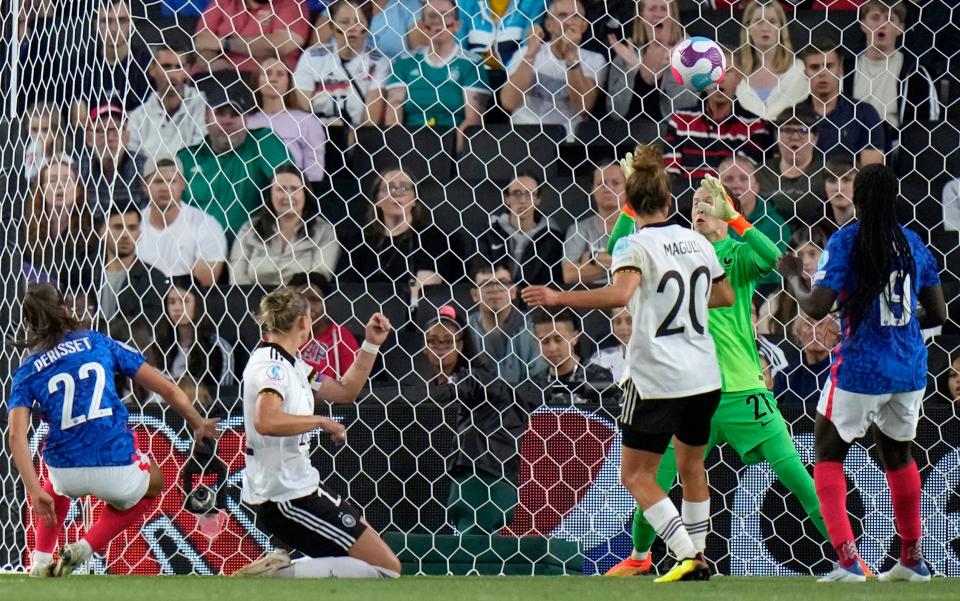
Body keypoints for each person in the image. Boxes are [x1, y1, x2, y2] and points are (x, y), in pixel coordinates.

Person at [523, 145, 735, 582]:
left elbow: (619, 295)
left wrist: (558, 296)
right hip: (704, 374)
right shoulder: (697, 241)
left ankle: (684, 553)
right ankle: (701, 554)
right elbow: (724, 297)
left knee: (636, 474)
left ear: (630, 204)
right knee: (693, 467)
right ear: (669, 200)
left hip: (657, 376)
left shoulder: (632, 244)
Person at [605, 175, 830, 577]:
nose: (700, 208)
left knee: (798, 476)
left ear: (726, 210)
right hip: (689, 389)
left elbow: (776, 258)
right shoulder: (673, 251)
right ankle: (640, 558)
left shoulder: (737, 255)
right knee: (655, 481)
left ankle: (848, 556)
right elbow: (615, 249)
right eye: (695, 202)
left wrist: (739, 221)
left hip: (743, 389)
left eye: (711, 202)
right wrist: (630, 201)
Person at [779, 163, 946, 582]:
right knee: (899, 456)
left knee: (828, 453)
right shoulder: (913, 243)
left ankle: (849, 560)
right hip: (909, 367)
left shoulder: (847, 240)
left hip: (861, 367)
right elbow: (939, 312)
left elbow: (816, 306)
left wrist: (791, 278)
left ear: (858, 198)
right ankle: (911, 559)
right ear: (895, 199)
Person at [7, 283, 219, 577]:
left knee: (53, 486)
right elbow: (168, 389)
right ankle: (85, 547)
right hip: (114, 464)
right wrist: (197, 422)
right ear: (66, 310)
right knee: (153, 484)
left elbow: (16, 436)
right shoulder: (99, 342)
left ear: (29, 323)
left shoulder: (27, 370)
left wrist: (32, 490)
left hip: (65, 470)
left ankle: (40, 561)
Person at [232, 286, 401, 578]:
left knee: (376, 553)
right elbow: (266, 420)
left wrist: (371, 344)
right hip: (285, 495)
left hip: (302, 485)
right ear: (303, 322)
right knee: (386, 570)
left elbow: (345, 391)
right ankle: (276, 575)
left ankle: (283, 571)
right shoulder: (272, 366)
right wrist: (320, 421)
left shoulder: (294, 364)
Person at [407, 305, 537, 534]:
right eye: (433, 341)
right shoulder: (430, 384)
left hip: (485, 473)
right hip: (460, 474)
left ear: (461, 344)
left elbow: (459, 391)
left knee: (475, 541)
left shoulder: (477, 378)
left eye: (448, 341)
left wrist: (395, 398)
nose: (440, 348)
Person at [177, 78, 293, 233]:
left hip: (252, 247)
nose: (227, 121)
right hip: (197, 249)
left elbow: (290, 186)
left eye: (235, 114)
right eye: (220, 113)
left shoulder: (263, 142)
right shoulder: (186, 158)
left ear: (245, 119)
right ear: (206, 118)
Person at [339, 168, 470, 297]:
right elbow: (348, 291)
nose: (397, 193)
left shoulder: (433, 237)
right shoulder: (358, 242)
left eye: (404, 188)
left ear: (414, 200)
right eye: (389, 188)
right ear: (377, 200)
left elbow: (424, 294)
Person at [383, 0, 490, 151]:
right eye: (433, 16)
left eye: (445, 16)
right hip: (410, 146)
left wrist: (451, 158)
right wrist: (402, 151)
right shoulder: (404, 62)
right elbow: (394, 112)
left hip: (454, 146)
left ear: (457, 25)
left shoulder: (472, 64)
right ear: (423, 26)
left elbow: (473, 119)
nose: (439, 22)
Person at [663, 47, 770, 184]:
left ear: (739, 78)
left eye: (727, 71)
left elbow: (740, 180)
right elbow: (671, 177)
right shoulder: (680, 121)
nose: (719, 78)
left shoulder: (755, 126)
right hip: (687, 201)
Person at [501, 0, 606, 139]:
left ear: (584, 25)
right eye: (562, 15)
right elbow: (508, 102)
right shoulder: (525, 52)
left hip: (567, 143)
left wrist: (571, 55)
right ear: (548, 25)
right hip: (522, 138)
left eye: (575, 16)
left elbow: (582, 108)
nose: (569, 22)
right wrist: (531, 54)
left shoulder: (594, 60)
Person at [231, 165, 340, 286]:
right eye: (281, 189)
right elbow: (237, 277)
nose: (288, 195)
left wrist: (287, 301)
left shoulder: (324, 231)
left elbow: (319, 278)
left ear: (305, 194)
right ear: (269, 194)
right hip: (253, 301)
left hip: (301, 302)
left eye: (294, 189)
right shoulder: (249, 229)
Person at [849, 0, 941, 138]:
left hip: (896, 148)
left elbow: (926, 130)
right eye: (875, 18)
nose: (882, 24)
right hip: (850, 150)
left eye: (889, 19)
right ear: (862, 25)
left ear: (901, 28)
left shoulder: (915, 74)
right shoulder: (844, 71)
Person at [136, 156, 228, 288]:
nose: (165, 188)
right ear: (144, 186)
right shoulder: (133, 225)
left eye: (172, 181)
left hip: (184, 305)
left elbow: (201, 286)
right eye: (157, 181)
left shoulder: (206, 225)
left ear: (183, 184)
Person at [295, 0, 390, 128]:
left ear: (368, 26)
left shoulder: (378, 62)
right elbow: (302, 112)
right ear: (332, 26)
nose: (351, 28)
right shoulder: (311, 57)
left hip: (358, 137)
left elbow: (371, 121)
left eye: (358, 22)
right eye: (344, 22)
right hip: (315, 134)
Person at [605, 0, 695, 125]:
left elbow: (685, 111)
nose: (658, 14)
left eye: (663, 8)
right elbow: (615, 112)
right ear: (641, 17)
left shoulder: (689, 56)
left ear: (673, 16)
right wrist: (630, 71)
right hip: (627, 138)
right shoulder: (625, 55)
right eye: (652, 9)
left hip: (670, 138)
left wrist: (673, 69)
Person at [798, 43, 886, 166]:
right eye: (814, 67)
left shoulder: (864, 114)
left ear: (841, 70)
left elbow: (870, 174)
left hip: (849, 184)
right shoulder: (793, 117)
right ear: (805, 73)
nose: (822, 73)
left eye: (829, 66)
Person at [476, 172, 565, 289]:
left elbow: (552, 282)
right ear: (506, 199)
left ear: (538, 199)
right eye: (516, 193)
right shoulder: (488, 235)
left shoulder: (552, 239)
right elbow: (478, 273)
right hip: (497, 300)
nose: (522, 200)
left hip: (537, 302)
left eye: (529, 194)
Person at [245, 58, 327, 183]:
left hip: (293, 190)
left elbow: (314, 167)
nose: (273, 79)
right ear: (257, 80)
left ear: (289, 81)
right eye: (267, 73)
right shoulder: (244, 122)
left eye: (280, 74)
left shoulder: (307, 121)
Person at [467, 261, 547, 385]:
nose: (494, 288)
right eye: (486, 284)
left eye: (503, 282)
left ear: (513, 291)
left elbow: (539, 380)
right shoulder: (464, 329)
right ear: (474, 294)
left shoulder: (534, 328)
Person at [70, 0, 153, 119]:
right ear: (96, 25)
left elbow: (149, 119)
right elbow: (79, 121)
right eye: (106, 21)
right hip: (94, 136)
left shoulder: (146, 65)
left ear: (131, 24)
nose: (114, 29)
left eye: (122, 20)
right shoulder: (82, 66)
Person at [718, 154, 790, 290]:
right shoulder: (707, 221)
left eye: (744, 178)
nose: (736, 185)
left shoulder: (775, 225)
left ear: (756, 186)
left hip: (762, 296)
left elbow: (771, 276)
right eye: (728, 179)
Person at [24, 157, 96, 291]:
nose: (59, 186)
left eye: (67, 180)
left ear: (78, 190)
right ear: (41, 189)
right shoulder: (24, 230)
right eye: (52, 180)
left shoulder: (92, 231)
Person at [155, 279, 236, 395]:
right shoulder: (158, 345)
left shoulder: (218, 349)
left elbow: (223, 396)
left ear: (199, 303)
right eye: (172, 302)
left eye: (185, 301)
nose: (177, 308)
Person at [127, 45, 208, 159]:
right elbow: (132, 159)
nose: (172, 74)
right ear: (152, 70)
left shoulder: (203, 106)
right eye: (166, 67)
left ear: (187, 71)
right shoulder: (138, 116)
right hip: (150, 175)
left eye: (179, 67)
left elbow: (202, 153)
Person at [95, 203, 167, 328]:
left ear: (139, 233)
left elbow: (147, 330)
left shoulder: (153, 279)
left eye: (132, 228)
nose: (125, 235)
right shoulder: (85, 274)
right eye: (118, 227)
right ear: (102, 232)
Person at [734, 0, 808, 121]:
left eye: (772, 22)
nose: (765, 28)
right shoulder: (735, 73)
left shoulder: (800, 71)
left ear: (781, 27)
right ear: (747, 28)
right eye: (758, 22)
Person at [193, 0, 311, 74]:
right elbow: (201, 41)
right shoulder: (222, 2)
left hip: (262, 79)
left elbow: (283, 44)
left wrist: (224, 42)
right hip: (214, 76)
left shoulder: (292, 3)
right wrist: (212, 62)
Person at [756, 108, 828, 227]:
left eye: (803, 130)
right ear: (776, 136)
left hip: (812, 241)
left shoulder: (827, 174)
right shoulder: (760, 173)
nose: (795, 137)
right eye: (787, 130)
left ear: (815, 138)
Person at [532, 308, 615, 405]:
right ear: (537, 342)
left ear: (574, 337)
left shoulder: (599, 379)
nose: (552, 348)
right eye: (545, 341)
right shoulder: (534, 386)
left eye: (558, 339)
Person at [562, 162, 627, 288]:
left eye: (616, 183)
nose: (608, 188)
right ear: (592, 190)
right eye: (601, 184)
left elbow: (647, 267)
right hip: (591, 300)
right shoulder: (579, 229)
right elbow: (569, 275)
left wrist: (592, 258)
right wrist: (623, 262)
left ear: (628, 188)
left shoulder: (641, 226)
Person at [76, 101, 149, 213]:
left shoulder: (143, 169)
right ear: (89, 138)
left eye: (117, 130)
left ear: (127, 136)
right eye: (101, 131)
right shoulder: (79, 171)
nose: (110, 138)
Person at [291, 272, 360, 380]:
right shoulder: (280, 335)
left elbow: (353, 385)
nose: (307, 308)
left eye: (314, 300)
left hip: (326, 395)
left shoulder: (341, 337)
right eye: (300, 300)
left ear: (325, 303)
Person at [773, 311, 840, 410]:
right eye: (808, 324)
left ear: (835, 333)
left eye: (821, 324)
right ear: (799, 334)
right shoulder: (785, 377)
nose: (814, 330)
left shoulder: (843, 374)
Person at [455, 0, 544, 68]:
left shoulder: (533, 3)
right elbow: (458, 49)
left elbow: (528, 48)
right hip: (474, 78)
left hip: (514, 79)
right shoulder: (465, 3)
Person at [24, 103, 66, 181]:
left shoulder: (65, 161)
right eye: (34, 129)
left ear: (56, 131)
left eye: (45, 130)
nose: (39, 135)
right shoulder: (21, 159)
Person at [587, 306, 631, 382]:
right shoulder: (600, 360)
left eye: (630, 321)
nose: (623, 327)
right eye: (617, 322)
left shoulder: (654, 358)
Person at [825, 156, 857, 229]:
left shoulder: (870, 226)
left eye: (846, 180)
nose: (839, 188)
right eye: (832, 181)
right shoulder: (815, 224)